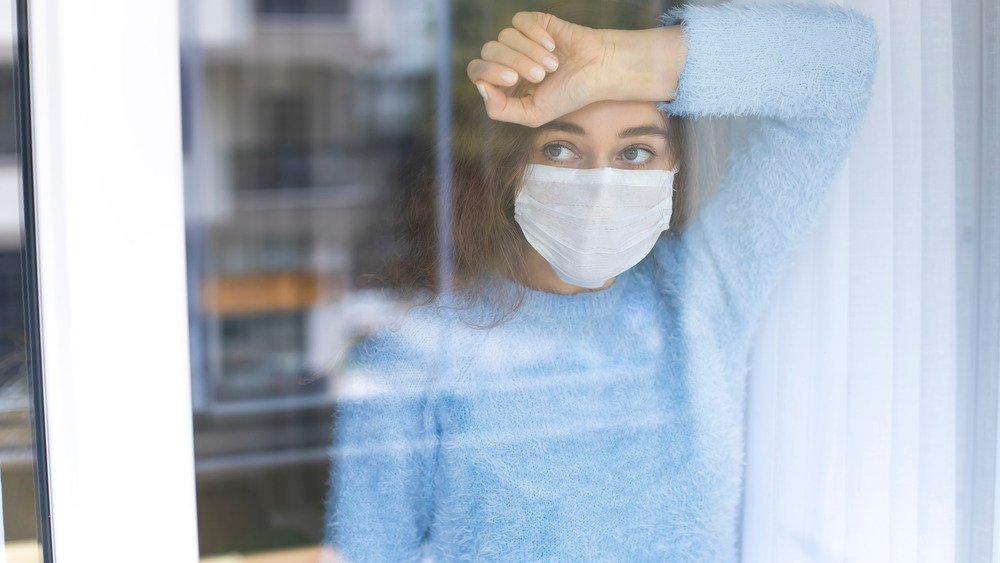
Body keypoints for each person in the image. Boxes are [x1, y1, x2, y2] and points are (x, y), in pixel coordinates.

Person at [326, 1, 879, 561]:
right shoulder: (409, 352)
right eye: (560, 148)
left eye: (636, 151)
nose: (601, 187)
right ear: (508, 164)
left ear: (674, 167)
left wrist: (618, 61)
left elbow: (841, 66)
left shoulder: (697, 297)